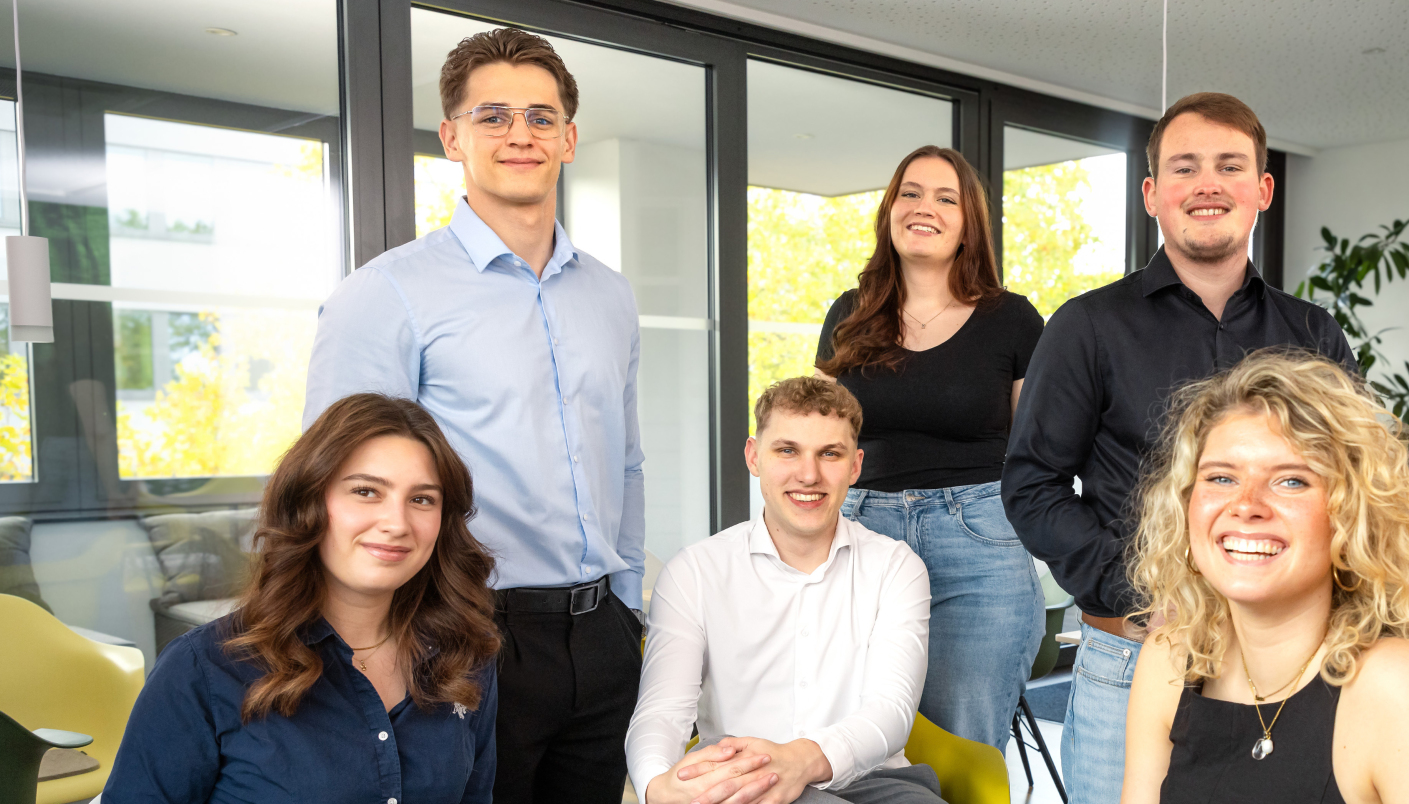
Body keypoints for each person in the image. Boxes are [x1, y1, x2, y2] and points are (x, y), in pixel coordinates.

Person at [303, 28, 647, 804]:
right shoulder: (385, 295)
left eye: (540, 116)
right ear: (452, 137)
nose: (520, 134)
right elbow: (334, 486)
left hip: (601, 637)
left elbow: (626, 460)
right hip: (459, 634)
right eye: (493, 116)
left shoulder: (611, 296)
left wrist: (625, 609)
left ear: (568, 138)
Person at [1003, 91, 1356, 804]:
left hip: (1287, 669)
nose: (1206, 184)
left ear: (1262, 189)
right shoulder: (1087, 327)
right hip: (1131, 660)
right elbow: (1032, 485)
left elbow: (1354, 483)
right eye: (1185, 167)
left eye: (1230, 165)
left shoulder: (1313, 333)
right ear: (1152, 194)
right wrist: (1143, 594)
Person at [1119, 352, 1409, 804]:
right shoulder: (1168, 659)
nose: (1246, 505)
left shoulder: (1398, 685)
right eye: (1221, 478)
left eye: (1291, 481)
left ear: (1351, 517)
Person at [104, 393, 499, 803]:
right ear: (307, 503)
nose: (397, 523)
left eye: (421, 499)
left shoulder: (466, 656)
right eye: (366, 491)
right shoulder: (202, 669)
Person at [813, 145, 1046, 748]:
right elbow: (820, 439)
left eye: (947, 198)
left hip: (979, 545)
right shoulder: (848, 314)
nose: (925, 207)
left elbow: (1039, 454)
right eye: (910, 193)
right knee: (854, 745)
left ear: (969, 224)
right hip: (860, 538)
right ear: (890, 210)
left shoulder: (1013, 320)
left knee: (961, 745)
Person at [627, 377, 941, 804]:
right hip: (741, 780)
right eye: (787, 450)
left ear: (855, 466)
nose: (808, 475)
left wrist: (801, 760)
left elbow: (891, 710)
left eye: (829, 454)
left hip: (873, 783)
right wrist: (655, 787)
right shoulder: (694, 572)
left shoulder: (896, 568)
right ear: (754, 456)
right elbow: (662, 711)